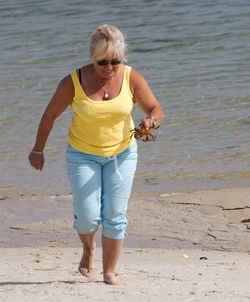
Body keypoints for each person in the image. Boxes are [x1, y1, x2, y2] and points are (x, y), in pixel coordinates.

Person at [28, 24, 164, 285]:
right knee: (88, 216)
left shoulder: (131, 77)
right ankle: (88, 248)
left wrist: (151, 120)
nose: (110, 67)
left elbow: (155, 107)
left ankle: (109, 272)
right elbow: (50, 115)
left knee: (115, 214)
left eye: (116, 61)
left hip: (122, 154)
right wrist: (38, 149)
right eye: (103, 62)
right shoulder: (73, 81)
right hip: (82, 155)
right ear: (92, 58)